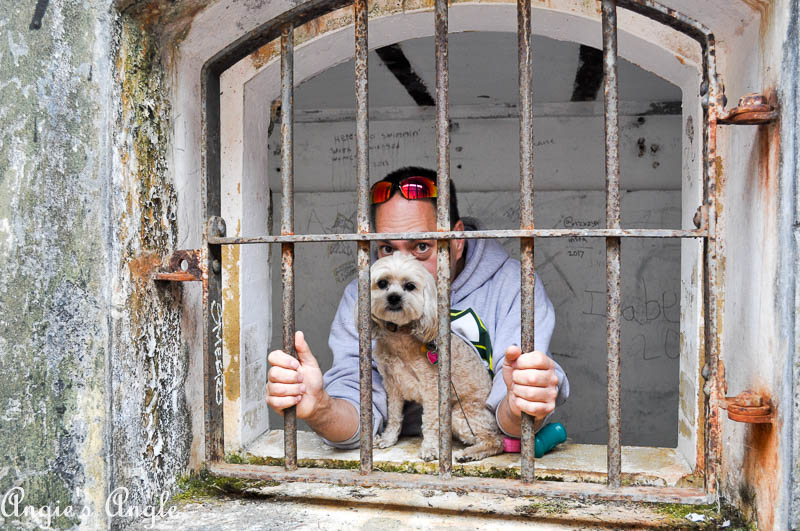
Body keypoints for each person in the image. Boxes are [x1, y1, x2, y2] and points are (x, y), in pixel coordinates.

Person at [266, 167, 569, 448]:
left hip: (480, 443)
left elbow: (514, 414)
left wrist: (521, 405)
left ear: (457, 240)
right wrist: (321, 409)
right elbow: (356, 407)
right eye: (387, 249)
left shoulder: (511, 284)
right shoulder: (367, 296)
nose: (405, 266)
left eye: (421, 247)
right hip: (399, 458)